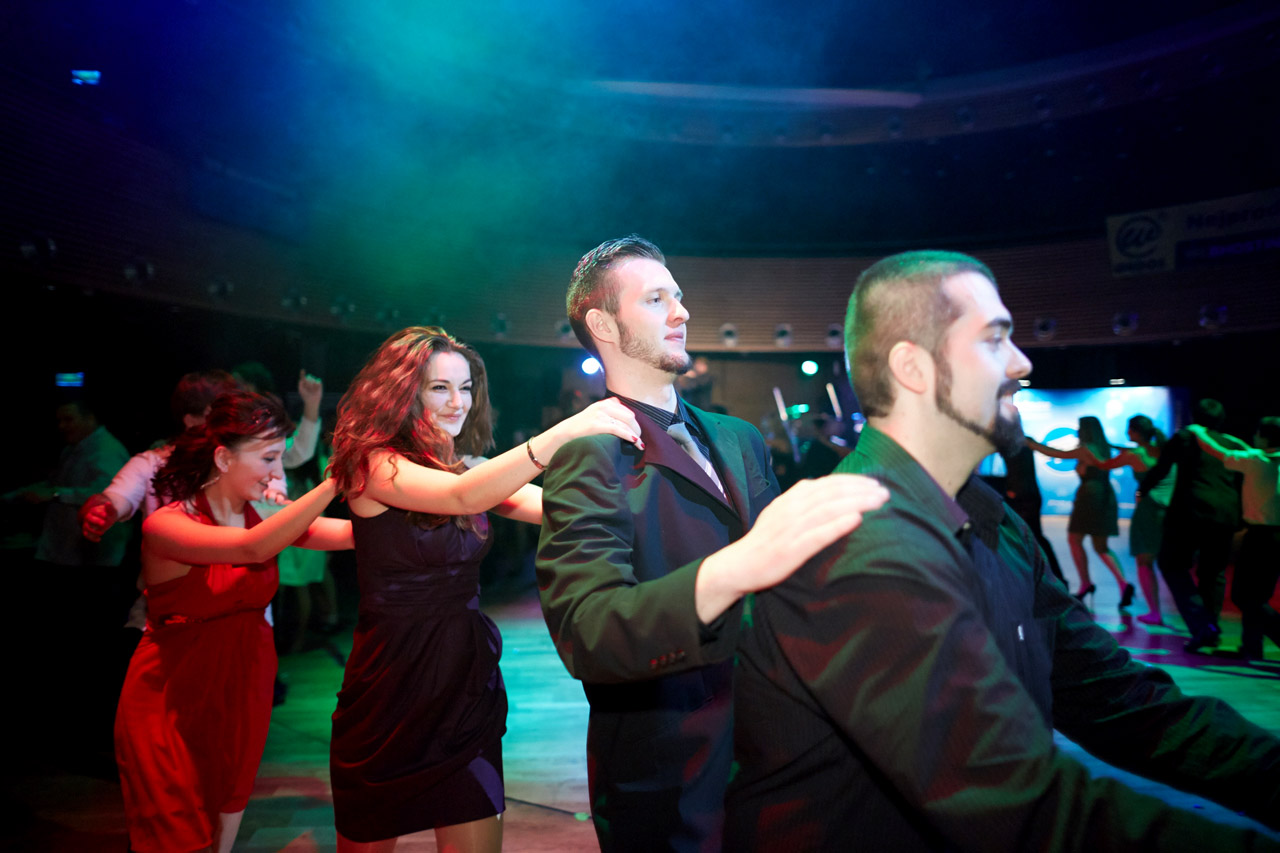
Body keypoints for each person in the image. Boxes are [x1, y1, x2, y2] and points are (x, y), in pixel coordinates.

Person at [726, 250, 1280, 851]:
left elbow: (1124, 704)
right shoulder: (858, 543)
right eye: (995, 340)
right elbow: (1014, 801)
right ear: (913, 367)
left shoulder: (995, 520)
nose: (1022, 362)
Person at [536, 235, 889, 852]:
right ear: (603, 325)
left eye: (678, 296)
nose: (681, 312)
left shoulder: (738, 436)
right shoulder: (587, 456)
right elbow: (589, 634)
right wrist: (736, 568)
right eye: (655, 299)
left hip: (775, 751)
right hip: (670, 773)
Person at [325, 326, 648, 853]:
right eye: (440, 388)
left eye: (466, 387)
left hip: (464, 683)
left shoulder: (471, 468)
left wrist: (663, 498)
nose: (459, 402)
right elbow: (460, 497)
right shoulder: (375, 464)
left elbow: (557, 508)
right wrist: (565, 431)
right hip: (390, 687)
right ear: (402, 394)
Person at [114, 391, 352, 853]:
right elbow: (251, 548)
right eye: (268, 458)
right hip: (172, 698)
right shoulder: (166, 525)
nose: (277, 473)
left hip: (243, 684)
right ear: (223, 459)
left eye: (280, 457)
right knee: (175, 833)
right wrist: (331, 484)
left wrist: (435, 508)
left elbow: (350, 534)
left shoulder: (265, 514)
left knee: (225, 813)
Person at [1139, 398, 1248, 652]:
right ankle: (1209, 628)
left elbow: (1162, 468)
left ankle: (1202, 625)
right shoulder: (1231, 443)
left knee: (1171, 565)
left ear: (1193, 416)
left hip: (1189, 513)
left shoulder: (1186, 437)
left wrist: (1142, 490)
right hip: (1225, 514)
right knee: (1213, 574)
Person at [1187, 416, 1280, 659]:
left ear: (1264, 437)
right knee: (1259, 595)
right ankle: (1252, 647)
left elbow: (1218, 452)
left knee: (1243, 595)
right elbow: (1246, 449)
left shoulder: (1255, 461)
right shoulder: (1263, 459)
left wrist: (1199, 431)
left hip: (1261, 536)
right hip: (1276, 536)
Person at [1025, 416, 1133, 608]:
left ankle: (1085, 583)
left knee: (1074, 539)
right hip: (1105, 496)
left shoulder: (1086, 449)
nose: (1077, 431)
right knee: (1101, 547)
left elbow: (1056, 453)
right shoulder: (1104, 447)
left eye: (1080, 428)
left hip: (1089, 498)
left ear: (1086, 430)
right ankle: (1123, 584)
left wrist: (1031, 444)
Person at [1091, 415, 1174, 624]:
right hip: (1169, 512)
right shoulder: (1165, 451)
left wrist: (1085, 452)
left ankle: (1154, 612)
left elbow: (1103, 464)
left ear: (1135, 432)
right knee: (1168, 563)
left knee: (1144, 561)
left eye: (1129, 429)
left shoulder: (1135, 454)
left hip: (1148, 511)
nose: (1127, 433)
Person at [997, 405, 1066, 583]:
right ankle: (1052, 578)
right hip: (1025, 495)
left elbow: (1053, 453)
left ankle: (1051, 578)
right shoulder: (1020, 440)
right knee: (1030, 537)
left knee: (1029, 537)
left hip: (1022, 496)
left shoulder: (1015, 441)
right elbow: (1052, 452)